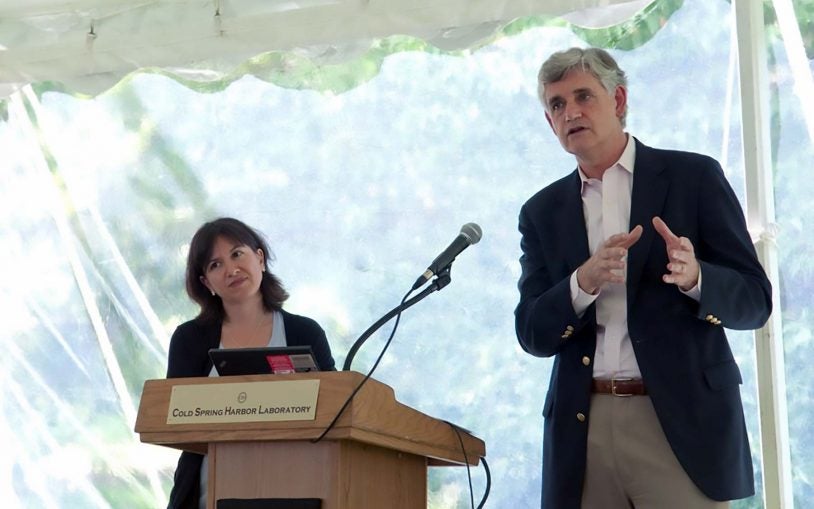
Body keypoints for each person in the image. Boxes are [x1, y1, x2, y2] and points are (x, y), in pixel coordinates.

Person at [514, 47, 772, 509]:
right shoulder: (541, 212)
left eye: (582, 97)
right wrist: (581, 284)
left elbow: (755, 301)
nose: (569, 111)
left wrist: (696, 277)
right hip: (583, 426)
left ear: (617, 100)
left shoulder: (693, 177)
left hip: (678, 423)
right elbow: (532, 333)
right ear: (549, 123)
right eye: (555, 105)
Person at [165, 217, 336, 509]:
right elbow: (174, 421)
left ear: (260, 258)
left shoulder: (305, 332)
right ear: (207, 283)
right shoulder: (189, 339)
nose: (231, 269)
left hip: (297, 491)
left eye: (237, 254)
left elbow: (336, 408)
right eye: (215, 265)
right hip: (207, 497)